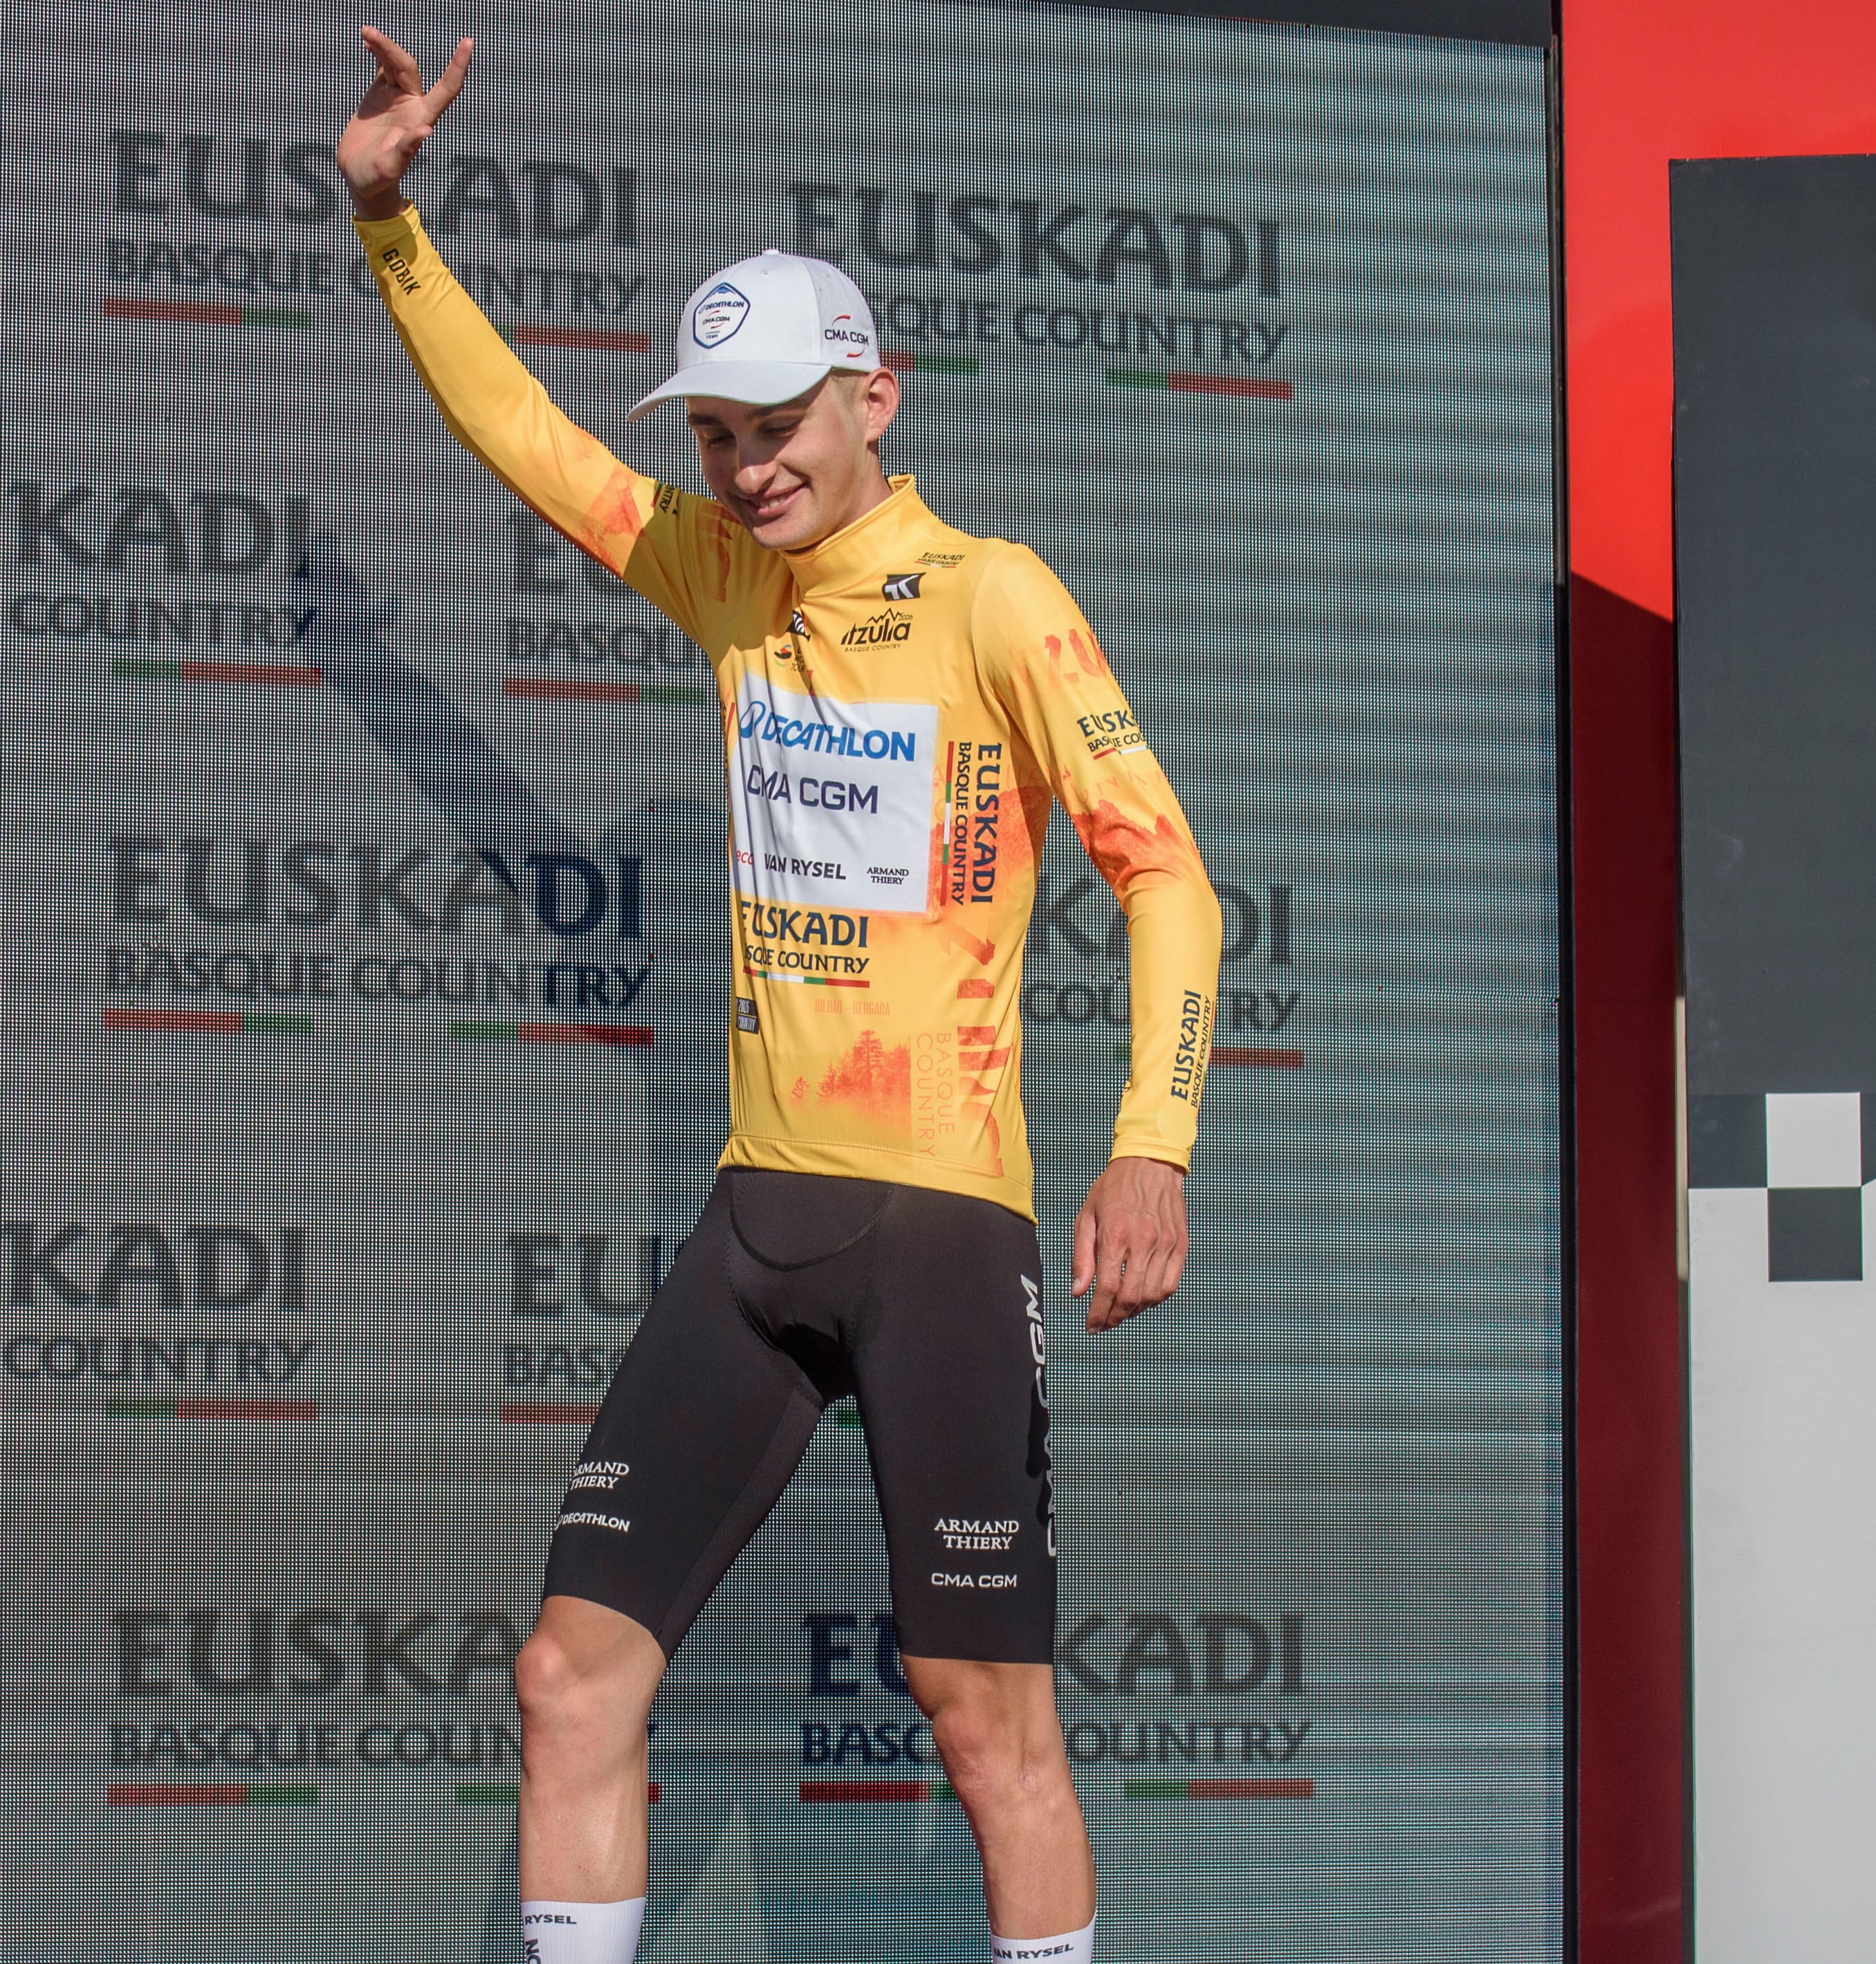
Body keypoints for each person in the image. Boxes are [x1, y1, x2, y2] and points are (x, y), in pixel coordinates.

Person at [335, 28, 1223, 1964]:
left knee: (988, 1729)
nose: (746, 467)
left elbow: (1164, 873)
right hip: (752, 1223)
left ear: (875, 398)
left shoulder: (992, 594)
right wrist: (393, 225)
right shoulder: (729, 584)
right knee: (568, 1681)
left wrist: (1149, 1149)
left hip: (937, 1227)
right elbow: (526, 439)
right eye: (718, 435)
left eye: (779, 423)